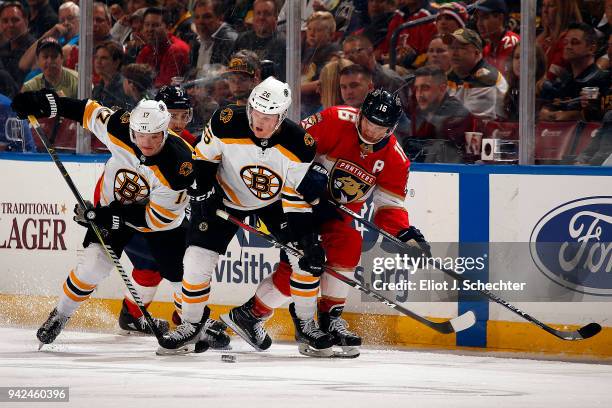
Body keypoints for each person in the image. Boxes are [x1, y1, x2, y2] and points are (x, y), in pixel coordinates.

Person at [223, 89, 430, 358]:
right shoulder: (335, 119)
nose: (371, 131)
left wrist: (405, 234)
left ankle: (329, 319)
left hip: (337, 214)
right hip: (296, 203)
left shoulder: (395, 159)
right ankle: (253, 315)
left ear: (391, 129)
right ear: (361, 115)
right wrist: (309, 173)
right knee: (303, 265)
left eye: (380, 128)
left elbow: (388, 207)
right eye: (368, 122)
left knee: (348, 244)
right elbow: (290, 147)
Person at [10, 90, 196, 351]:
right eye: (140, 135)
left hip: (159, 221)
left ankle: (194, 325)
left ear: (165, 132)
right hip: (111, 206)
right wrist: (44, 103)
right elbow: (85, 111)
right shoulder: (119, 126)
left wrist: (109, 217)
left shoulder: (178, 165)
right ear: (131, 129)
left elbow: (156, 220)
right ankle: (60, 314)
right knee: (93, 265)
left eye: (154, 136)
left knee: (180, 274)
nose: (147, 143)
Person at [160, 76, 325, 354]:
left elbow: (296, 198)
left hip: (273, 202)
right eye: (255, 112)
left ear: (282, 117)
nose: (258, 121)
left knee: (303, 259)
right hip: (224, 196)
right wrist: (204, 192)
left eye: (268, 116)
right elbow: (203, 159)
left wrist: (308, 239)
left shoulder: (300, 144)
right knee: (196, 261)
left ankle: (307, 325)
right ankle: (190, 325)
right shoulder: (225, 121)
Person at [114, 84, 230, 350]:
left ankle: (132, 315)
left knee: (152, 267)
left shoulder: (190, 143)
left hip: (165, 218)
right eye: (173, 116)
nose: (178, 123)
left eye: (183, 115)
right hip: (136, 218)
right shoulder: (140, 143)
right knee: (177, 264)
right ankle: (191, 320)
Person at [409, 65, 472, 163]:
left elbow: (446, 155)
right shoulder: (418, 110)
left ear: (442, 89)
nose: (419, 94)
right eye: (417, 89)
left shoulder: (457, 114)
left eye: (425, 88)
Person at [444, 28, 508, 120]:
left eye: (461, 48)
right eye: (451, 47)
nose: (454, 53)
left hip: (492, 132)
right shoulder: (450, 76)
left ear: (477, 53)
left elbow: (470, 121)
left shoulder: (486, 78)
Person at [136, 7, 190, 88]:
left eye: (155, 25)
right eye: (147, 25)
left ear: (169, 27)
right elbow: (135, 78)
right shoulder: (146, 50)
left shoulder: (177, 50)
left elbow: (166, 86)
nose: (149, 29)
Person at [475, 0, 520, 78]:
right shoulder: (487, 49)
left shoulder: (510, 41)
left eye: (484, 17)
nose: (479, 23)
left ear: (500, 18)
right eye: (477, 18)